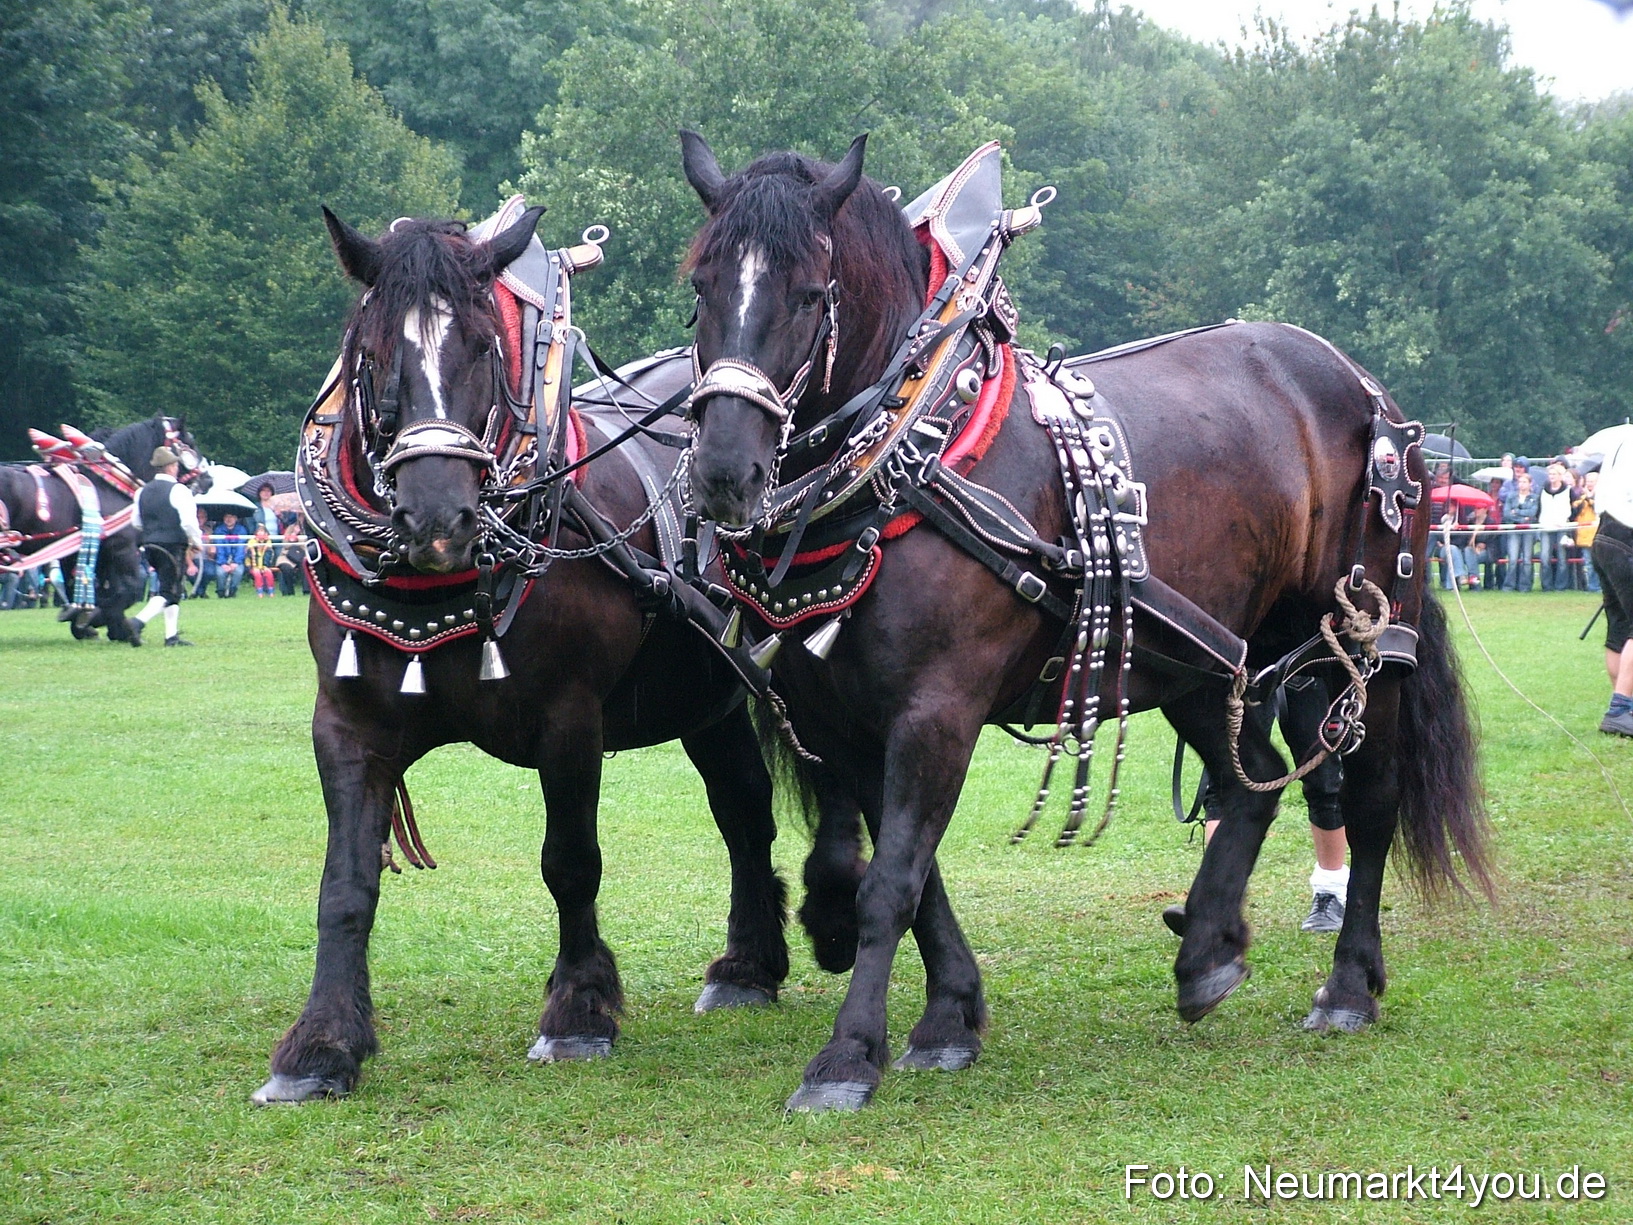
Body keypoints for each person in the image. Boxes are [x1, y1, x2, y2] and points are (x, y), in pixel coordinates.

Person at [1164, 676, 1349, 935]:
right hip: (1246, 660)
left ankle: (1331, 893)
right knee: (1227, 781)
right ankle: (1215, 899)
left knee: (1324, 777)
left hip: (1302, 652)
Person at [129, 446, 203, 646]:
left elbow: (136, 522)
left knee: (171, 588)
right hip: (172, 546)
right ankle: (136, 622)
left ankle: (171, 636)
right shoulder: (179, 490)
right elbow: (188, 522)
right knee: (169, 592)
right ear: (171, 467)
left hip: (150, 545)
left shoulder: (141, 492)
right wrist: (197, 542)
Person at [1536, 461, 1574, 591]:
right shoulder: (1543, 490)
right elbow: (1539, 508)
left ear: (1560, 476)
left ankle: (1561, 586)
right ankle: (1546, 586)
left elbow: (1572, 509)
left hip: (1562, 526)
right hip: (1546, 526)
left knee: (1562, 558)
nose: (1551, 476)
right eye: (1550, 474)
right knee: (1545, 556)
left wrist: (1564, 520)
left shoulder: (1568, 491)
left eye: (1554, 474)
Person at [1500, 469, 1539, 591]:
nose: (1521, 484)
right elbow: (1506, 514)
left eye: (1524, 482)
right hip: (1514, 529)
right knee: (1512, 559)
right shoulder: (1511, 496)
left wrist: (1516, 512)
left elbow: (1532, 513)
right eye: (1520, 481)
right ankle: (1509, 586)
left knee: (1527, 559)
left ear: (1530, 484)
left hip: (1528, 531)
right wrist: (1524, 517)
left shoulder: (1535, 497)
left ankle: (1525, 586)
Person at [1574, 470, 1600, 593]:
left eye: (1592, 481)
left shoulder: (1602, 496)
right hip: (1585, 535)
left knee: (1599, 563)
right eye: (1588, 481)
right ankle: (1592, 587)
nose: (1589, 484)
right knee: (1589, 563)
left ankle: (1601, 586)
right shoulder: (1580, 497)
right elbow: (1575, 509)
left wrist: (1591, 498)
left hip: (1599, 534)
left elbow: (1598, 509)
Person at [215, 511, 246, 597]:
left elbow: (241, 547)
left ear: (236, 518)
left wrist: (236, 562)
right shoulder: (218, 530)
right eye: (226, 517)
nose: (229, 519)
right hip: (222, 560)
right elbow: (219, 547)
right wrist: (223, 563)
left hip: (237, 560)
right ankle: (220, 592)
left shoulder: (242, 530)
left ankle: (233, 592)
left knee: (238, 572)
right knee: (220, 573)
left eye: (231, 517)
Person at [275, 523, 308, 595]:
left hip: (300, 556)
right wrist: (292, 538)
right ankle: (289, 591)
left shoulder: (304, 535)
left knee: (305, 566)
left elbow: (304, 548)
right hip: (286, 557)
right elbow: (285, 545)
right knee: (286, 569)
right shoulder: (288, 533)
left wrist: (299, 539)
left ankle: (306, 590)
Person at [246, 526, 278, 597]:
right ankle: (260, 593)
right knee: (257, 573)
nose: (261, 533)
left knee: (269, 573)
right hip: (253, 565)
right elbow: (250, 555)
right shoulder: (251, 542)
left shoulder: (268, 542)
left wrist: (264, 566)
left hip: (264, 565)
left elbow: (269, 555)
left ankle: (271, 592)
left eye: (262, 531)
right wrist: (254, 566)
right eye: (259, 531)